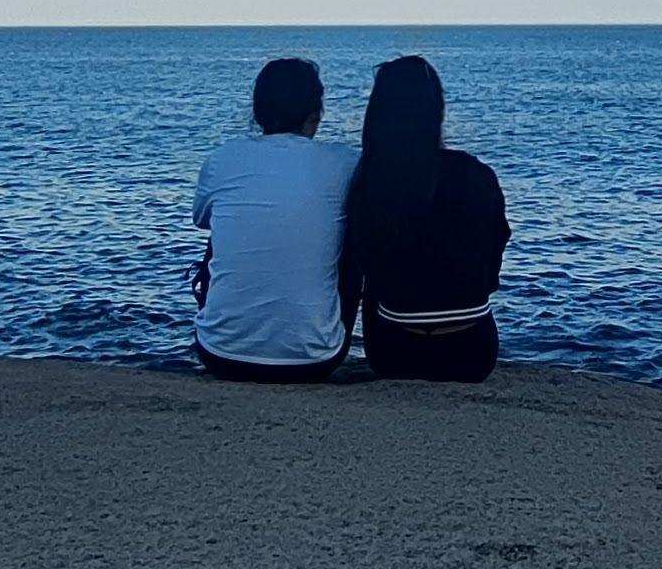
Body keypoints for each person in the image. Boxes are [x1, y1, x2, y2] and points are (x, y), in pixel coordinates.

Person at [340, 54, 512, 382]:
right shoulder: (476, 174)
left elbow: (363, 267)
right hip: (473, 352)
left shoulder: (369, 181)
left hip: (393, 353)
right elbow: (492, 269)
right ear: (437, 111)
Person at [189, 54, 356, 380]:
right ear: (315, 115)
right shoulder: (344, 162)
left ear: (258, 112)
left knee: (224, 230)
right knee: (349, 232)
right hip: (315, 361)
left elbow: (202, 219)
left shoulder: (223, 158)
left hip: (219, 354)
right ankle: (316, 331)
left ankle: (231, 325)